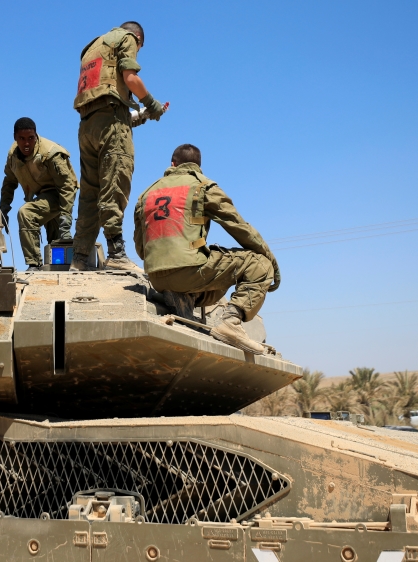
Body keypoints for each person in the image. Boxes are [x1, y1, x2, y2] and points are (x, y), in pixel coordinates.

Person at [133, 144, 281, 354]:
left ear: (172, 164)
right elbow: (238, 226)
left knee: (208, 271)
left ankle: (184, 296)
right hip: (189, 273)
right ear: (197, 166)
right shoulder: (202, 186)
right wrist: (271, 261)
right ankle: (230, 323)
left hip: (157, 277)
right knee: (260, 265)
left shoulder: (146, 195)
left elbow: (141, 249)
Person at [70, 21, 166, 271]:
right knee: (115, 182)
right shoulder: (127, 38)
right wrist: (152, 105)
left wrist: (142, 115)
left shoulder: (93, 47)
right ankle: (116, 253)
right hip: (110, 120)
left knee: (90, 193)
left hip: (87, 125)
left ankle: (79, 258)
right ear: (138, 38)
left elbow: (109, 106)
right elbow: (130, 78)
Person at [0, 117, 78, 271]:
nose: (26, 143)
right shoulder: (13, 156)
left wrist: (66, 219)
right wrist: (3, 210)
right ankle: (57, 270)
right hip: (41, 196)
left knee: (26, 213)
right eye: (21, 139)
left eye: (30, 138)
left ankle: (33, 263)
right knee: (56, 244)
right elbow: (9, 182)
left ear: (36, 135)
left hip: (60, 193)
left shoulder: (50, 153)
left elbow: (67, 186)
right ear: (15, 137)